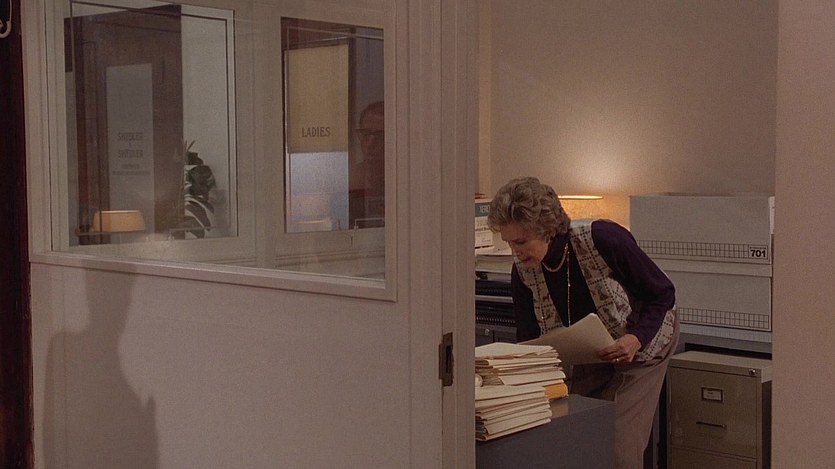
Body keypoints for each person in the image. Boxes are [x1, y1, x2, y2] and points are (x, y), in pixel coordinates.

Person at [486, 176, 679, 469]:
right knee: (574, 429)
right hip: (590, 351)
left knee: (618, 443)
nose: (515, 251)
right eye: (509, 242)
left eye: (521, 242)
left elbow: (663, 294)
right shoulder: (523, 272)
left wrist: (636, 338)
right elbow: (529, 341)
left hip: (643, 341)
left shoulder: (603, 238)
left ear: (547, 229)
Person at [349, 100, 385, 228]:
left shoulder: (406, 179)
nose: (370, 144)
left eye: (379, 136)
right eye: (365, 134)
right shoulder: (352, 179)